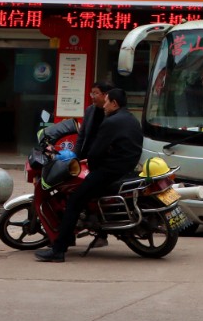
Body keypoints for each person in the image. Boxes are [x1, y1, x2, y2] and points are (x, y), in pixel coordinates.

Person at [36, 87, 145, 263]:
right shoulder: (132, 119)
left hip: (109, 171)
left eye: (107, 102)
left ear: (114, 103)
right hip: (126, 169)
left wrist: (91, 166)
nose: (104, 106)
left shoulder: (111, 122)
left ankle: (58, 250)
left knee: (74, 201)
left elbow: (96, 151)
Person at [74, 83, 111, 161]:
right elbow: (81, 136)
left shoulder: (111, 112)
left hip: (102, 157)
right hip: (86, 153)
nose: (92, 97)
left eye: (96, 93)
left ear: (105, 95)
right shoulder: (89, 110)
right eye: (92, 93)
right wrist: (75, 156)